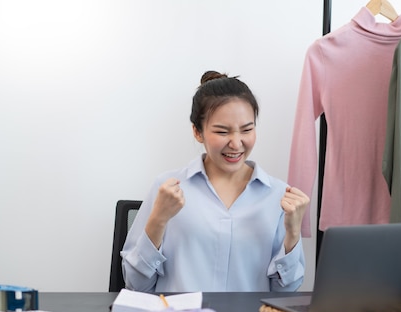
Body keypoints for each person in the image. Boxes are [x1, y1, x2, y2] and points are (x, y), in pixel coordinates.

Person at [121, 71, 309, 292]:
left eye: (247, 129)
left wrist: (293, 232)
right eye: (222, 131)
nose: (236, 143)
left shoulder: (279, 195)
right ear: (197, 132)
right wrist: (158, 220)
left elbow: (285, 292)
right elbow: (136, 285)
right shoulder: (166, 189)